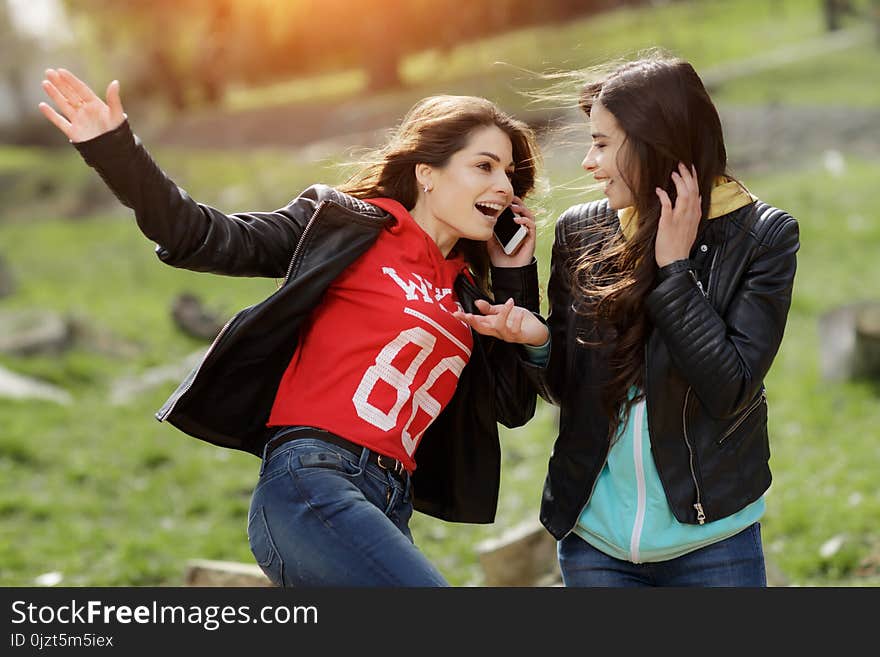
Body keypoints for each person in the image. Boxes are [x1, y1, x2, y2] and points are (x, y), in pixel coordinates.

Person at [38, 68, 551, 586]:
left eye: (509, 172)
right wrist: (115, 149)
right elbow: (200, 236)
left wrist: (514, 275)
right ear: (427, 172)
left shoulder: (465, 291)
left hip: (390, 503)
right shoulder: (345, 226)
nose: (504, 186)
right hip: (312, 483)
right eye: (484, 166)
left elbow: (511, 406)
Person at [464, 54, 800, 586]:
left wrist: (675, 269)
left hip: (713, 540)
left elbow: (729, 386)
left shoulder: (763, 236)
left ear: (654, 139)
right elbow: (565, 391)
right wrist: (537, 341)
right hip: (595, 542)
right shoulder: (582, 231)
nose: (587, 162)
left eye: (601, 143)